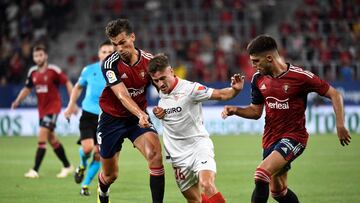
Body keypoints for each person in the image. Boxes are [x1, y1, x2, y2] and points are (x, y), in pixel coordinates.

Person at [221, 35, 351, 203]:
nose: (253, 66)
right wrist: (235, 110)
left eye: (256, 61)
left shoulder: (300, 77)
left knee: (261, 174)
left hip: (294, 137)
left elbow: (335, 94)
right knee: (278, 191)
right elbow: (255, 112)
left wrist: (340, 125)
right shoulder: (258, 79)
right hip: (270, 139)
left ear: (269, 58)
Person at [149, 53, 245, 203]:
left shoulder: (190, 89)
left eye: (163, 78)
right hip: (177, 157)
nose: (160, 84)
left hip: (198, 147)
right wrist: (159, 113)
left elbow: (221, 94)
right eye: (156, 81)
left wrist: (236, 90)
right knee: (195, 200)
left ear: (171, 71)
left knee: (206, 184)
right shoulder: (161, 94)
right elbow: (169, 109)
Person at [96, 18, 165, 203]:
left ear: (132, 37)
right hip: (111, 119)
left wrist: (165, 105)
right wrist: (141, 114)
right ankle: (102, 190)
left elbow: (163, 89)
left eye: (123, 42)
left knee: (155, 156)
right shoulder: (109, 64)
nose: (119, 48)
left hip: (136, 121)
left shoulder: (150, 62)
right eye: (115, 44)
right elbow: (122, 95)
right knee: (111, 175)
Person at [11, 44, 74, 178]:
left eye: (40, 55)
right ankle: (68, 166)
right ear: (34, 58)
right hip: (42, 110)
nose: (38, 58)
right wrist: (17, 101)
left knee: (42, 136)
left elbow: (67, 82)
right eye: (36, 56)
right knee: (52, 139)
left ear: (45, 56)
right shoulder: (32, 72)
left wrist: (72, 103)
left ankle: (35, 170)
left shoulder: (53, 70)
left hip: (53, 108)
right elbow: (27, 89)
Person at [64, 41, 114, 196]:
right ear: (99, 54)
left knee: (99, 154)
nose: (106, 54)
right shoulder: (89, 70)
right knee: (86, 149)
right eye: (104, 51)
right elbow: (78, 87)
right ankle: (82, 166)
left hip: (106, 117)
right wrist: (71, 105)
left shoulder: (117, 71)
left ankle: (84, 186)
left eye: (109, 52)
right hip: (88, 115)